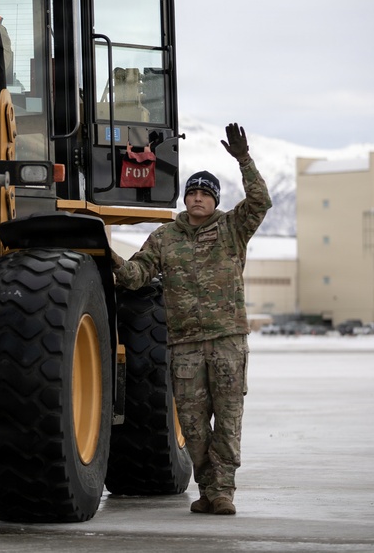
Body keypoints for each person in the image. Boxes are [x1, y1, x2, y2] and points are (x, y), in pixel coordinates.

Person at [111, 123, 271, 516]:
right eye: (193, 193)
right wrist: (108, 255)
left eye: (205, 194)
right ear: (185, 199)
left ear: (215, 201)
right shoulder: (165, 238)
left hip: (227, 341)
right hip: (184, 346)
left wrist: (244, 160)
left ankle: (223, 493)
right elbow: (135, 276)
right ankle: (206, 487)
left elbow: (261, 201)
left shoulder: (233, 228)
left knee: (229, 422)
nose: (198, 198)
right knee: (194, 428)